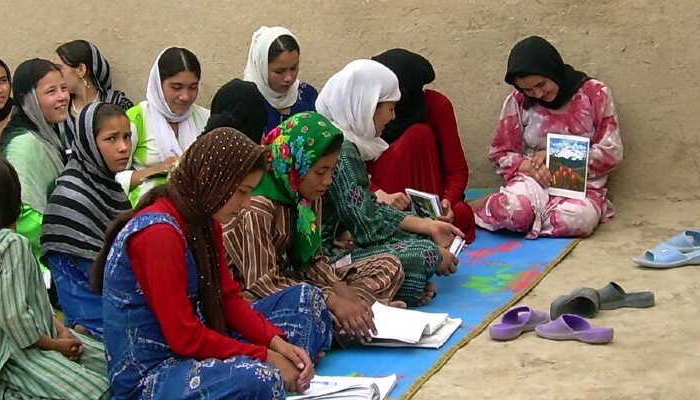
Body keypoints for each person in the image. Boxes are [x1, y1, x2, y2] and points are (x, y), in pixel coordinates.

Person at [96, 128, 330, 399]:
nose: (246, 203)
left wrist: (276, 343)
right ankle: (280, 377)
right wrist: (265, 356)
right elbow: (184, 337)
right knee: (258, 378)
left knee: (307, 300)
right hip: (153, 371)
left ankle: (289, 371)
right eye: (242, 191)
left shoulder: (205, 221)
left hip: (201, 337)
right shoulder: (159, 234)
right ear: (212, 181)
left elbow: (227, 298)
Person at [224, 112, 404, 345]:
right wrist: (331, 300)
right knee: (308, 306)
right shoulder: (257, 207)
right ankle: (361, 317)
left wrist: (341, 290)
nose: (328, 181)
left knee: (389, 264)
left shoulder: (306, 197)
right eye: (320, 172)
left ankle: (357, 316)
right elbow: (262, 283)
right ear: (295, 165)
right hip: (258, 295)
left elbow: (313, 260)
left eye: (332, 171)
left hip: (296, 281)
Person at [0, 152, 110, 400]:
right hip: (19, 355)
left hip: (33, 340)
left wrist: (60, 330)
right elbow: (13, 316)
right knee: (99, 389)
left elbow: (32, 301)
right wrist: (55, 344)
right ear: (13, 196)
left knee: (106, 360)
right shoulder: (11, 244)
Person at [316, 60, 462, 306]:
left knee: (423, 244)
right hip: (325, 257)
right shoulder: (341, 150)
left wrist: (428, 226)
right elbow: (368, 229)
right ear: (367, 106)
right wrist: (432, 250)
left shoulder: (343, 142)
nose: (393, 117)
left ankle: (393, 288)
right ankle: (370, 292)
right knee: (425, 253)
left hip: (342, 243)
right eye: (390, 108)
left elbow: (368, 207)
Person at [469, 36, 622, 239]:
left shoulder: (595, 94)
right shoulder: (519, 100)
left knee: (579, 220)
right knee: (514, 210)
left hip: (580, 186)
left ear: (553, 70)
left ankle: (525, 219)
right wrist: (528, 166)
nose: (538, 94)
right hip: (533, 180)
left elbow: (611, 153)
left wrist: (556, 156)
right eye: (528, 89)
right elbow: (499, 154)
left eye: (541, 84)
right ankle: (515, 211)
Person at [42, 102, 132, 338]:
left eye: (127, 137)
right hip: (92, 320)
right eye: (111, 139)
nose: (123, 147)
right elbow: (101, 279)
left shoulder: (111, 190)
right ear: (89, 142)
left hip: (121, 309)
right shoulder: (70, 199)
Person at [368, 49, 476, 243]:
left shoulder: (436, 106)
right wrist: (380, 194)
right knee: (418, 135)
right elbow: (356, 174)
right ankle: (420, 228)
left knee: (461, 213)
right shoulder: (370, 109)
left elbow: (457, 169)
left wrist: (447, 203)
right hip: (390, 199)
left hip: (429, 195)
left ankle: (431, 224)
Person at [0, 58, 70, 264]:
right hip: (36, 262)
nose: (62, 97)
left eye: (64, 88)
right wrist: (67, 233)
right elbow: (22, 216)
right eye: (51, 92)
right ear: (27, 99)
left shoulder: (52, 133)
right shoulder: (22, 144)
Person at [118, 47, 209, 204]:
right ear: (158, 85)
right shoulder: (135, 120)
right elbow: (113, 176)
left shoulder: (205, 119)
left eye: (193, 87)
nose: (185, 96)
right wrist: (155, 171)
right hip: (147, 212)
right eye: (176, 87)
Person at [243, 27, 319, 136]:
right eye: (279, 71)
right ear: (261, 68)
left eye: (293, 68)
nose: (288, 78)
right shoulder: (248, 105)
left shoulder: (308, 95)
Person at [54, 40, 135, 121]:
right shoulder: (60, 109)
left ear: (81, 70)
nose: (56, 75)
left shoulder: (117, 103)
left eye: (59, 68)